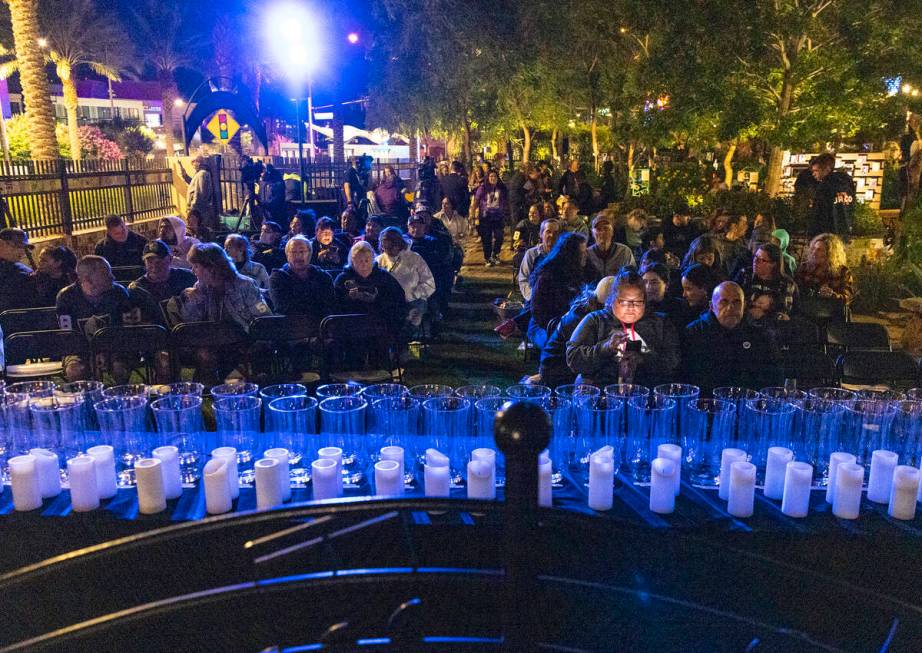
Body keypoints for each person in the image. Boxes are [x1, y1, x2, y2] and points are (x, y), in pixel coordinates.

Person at [566, 269, 680, 386]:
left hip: (645, 393)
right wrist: (606, 348)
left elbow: (672, 362)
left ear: (645, 301)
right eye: (624, 302)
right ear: (613, 300)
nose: (630, 308)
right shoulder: (596, 320)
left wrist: (644, 358)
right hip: (600, 391)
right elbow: (573, 358)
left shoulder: (660, 323)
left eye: (637, 302)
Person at [682, 281, 783, 394]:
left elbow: (773, 375)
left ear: (744, 305)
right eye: (723, 302)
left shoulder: (759, 335)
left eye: (737, 302)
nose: (731, 307)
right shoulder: (694, 333)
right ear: (711, 306)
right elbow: (687, 377)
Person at [56, 255, 135, 381]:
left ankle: (122, 395)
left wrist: (105, 350)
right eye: (106, 274)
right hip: (79, 349)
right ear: (88, 279)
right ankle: (85, 398)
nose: (112, 277)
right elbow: (68, 336)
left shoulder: (119, 293)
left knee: (119, 367)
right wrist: (92, 354)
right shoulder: (66, 297)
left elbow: (127, 330)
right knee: (75, 369)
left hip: (115, 346)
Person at [539, 276, 615, 388]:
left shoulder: (585, 308)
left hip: (558, 364)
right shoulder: (583, 318)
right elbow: (582, 358)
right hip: (557, 369)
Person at [177, 243, 273, 331]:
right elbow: (191, 324)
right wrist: (194, 301)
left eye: (196, 266)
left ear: (211, 267)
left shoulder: (245, 285)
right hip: (216, 343)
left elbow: (264, 320)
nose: (193, 271)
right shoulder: (200, 287)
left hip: (245, 342)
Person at [528, 232, 588, 350]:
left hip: (570, 324)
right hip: (546, 326)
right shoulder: (547, 277)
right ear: (571, 255)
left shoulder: (584, 269)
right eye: (582, 252)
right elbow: (539, 313)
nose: (586, 254)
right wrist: (562, 326)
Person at [333, 241, 407, 330]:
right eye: (360, 261)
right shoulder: (343, 279)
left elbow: (398, 300)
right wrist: (349, 298)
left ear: (372, 260)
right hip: (351, 326)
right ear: (352, 261)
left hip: (381, 325)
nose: (364, 264)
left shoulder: (384, 277)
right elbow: (334, 305)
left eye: (367, 260)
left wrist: (377, 299)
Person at [376, 227, 436, 329]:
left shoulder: (415, 258)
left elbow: (430, 283)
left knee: (410, 317)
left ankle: (404, 337)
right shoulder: (378, 261)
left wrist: (413, 294)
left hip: (413, 301)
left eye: (392, 244)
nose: (389, 249)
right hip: (388, 303)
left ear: (399, 243)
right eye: (385, 245)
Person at [128, 240, 196, 325]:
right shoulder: (137, 289)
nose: (154, 266)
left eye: (159, 261)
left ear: (170, 259)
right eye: (150, 261)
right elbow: (134, 324)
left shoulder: (187, 277)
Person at [268, 235, 335, 321]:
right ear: (287, 255)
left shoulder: (323, 276)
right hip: (290, 327)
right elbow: (284, 308)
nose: (298, 256)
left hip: (321, 326)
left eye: (302, 251)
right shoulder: (277, 278)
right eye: (294, 252)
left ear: (310, 254)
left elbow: (330, 306)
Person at [734, 243, 797, 318]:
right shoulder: (745, 274)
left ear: (773, 264)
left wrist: (769, 308)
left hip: (773, 325)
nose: (755, 261)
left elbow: (787, 310)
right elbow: (732, 298)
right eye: (755, 257)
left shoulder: (786, 283)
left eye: (761, 260)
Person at [407, 213, 452, 319]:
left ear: (424, 227)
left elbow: (439, 262)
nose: (416, 229)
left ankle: (436, 317)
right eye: (413, 226)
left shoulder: (433, 242)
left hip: (428, 278)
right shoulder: (403, 242)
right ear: (408, 227)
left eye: (419, 226)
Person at [795, 233, 855, 307]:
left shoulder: (843, 272)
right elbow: (795, 292)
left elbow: (848, 297)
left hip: (831, 314)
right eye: (813, 248)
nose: (814, 252)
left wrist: (833, 295)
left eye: (819, 250)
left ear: (830, 253)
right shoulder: (805, 267)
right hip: (806, 312)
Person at [808, 152, 856, 237]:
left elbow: (818, 214)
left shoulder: (824, 187)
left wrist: (812, 234)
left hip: (827, 234)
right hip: (845, 231)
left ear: (827, 169)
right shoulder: (847, 184)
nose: (813, 174)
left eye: (816, 170)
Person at [518, 218, 561, 301]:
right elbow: (523, 279)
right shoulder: (531, 254)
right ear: (541, 234)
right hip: (534, 301)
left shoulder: (564, 255)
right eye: (548, 232)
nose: (552, 235)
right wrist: (533, 297)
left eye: (556, 233)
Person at [473, 169, 508, 266]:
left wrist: (506, 212)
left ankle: (495, 254)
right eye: (491, 176)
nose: (493, 178)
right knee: (486, 238)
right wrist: (473, 214)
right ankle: (487, 258)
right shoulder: (483, 188)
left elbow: (505, 201)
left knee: (499, 237)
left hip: (498, 216)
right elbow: (476, 201)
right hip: (485, 217)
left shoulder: (502, 188)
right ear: (488, 178)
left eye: (495, 176)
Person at [586, 212, 635, 281]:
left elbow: (632, 276)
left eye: (606, 228)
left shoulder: (624, 252)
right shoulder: (587, 254)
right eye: (598, 229)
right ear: (592, 233)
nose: (602, 232)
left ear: (612, 231)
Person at [643, 263, 687, 329]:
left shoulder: (678, 306)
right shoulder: (639, 307)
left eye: (654, 282)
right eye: (645, 282)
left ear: (666, 285)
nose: (648, 287)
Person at [0, 228, 35, 311]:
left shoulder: (23, 274)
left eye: (24, 248)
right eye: (18, 246)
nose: (22, 252)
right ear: (1, 243)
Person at [186, 155, 217, 236]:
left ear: (198, 162)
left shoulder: (201, 174)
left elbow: (200, 192)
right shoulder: (200, 173)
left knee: (198, 230)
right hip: (200, 208)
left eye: (194, 162)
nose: (193, 165)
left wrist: (193, 208)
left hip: (198, 209)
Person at [512, 204, 543, 281]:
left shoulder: (544, 226)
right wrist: (518, 243)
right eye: (530, 212)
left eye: (534, 212)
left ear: (540, 214)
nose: (531, 214)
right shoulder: (522, 224)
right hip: (524, 252)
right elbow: (515, 240)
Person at [343, 155, 372, 226]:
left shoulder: (359, 173)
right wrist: (350, 202)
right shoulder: (350, 172)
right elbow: (347, 186)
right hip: (353, 202)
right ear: (357, 163)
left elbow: (367, 187)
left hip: (359, 200)